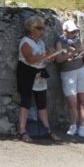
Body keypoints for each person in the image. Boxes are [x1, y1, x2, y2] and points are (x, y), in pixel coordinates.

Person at [17, 15, 60, 143]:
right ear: (31, 28)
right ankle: (22, 131)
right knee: (25, 102)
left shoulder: (40, 42)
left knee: (42, 103)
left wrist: (50, 56)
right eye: (39, 28)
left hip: (39, 74)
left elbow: (42, 58)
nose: (41, 31)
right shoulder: (25, 41)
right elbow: (30, 59)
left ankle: (48, 130)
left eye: (42, 28)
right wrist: (44, 55)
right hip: (27, 74)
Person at [55, 20, 84, 138]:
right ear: (64, 32)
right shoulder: (59, 42)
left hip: (81, 70)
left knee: (83, 101)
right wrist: (71, 54)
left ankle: (82, 127)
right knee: (72, 101)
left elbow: (83, 56)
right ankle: (73, 125)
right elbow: (58, 60)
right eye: (71, 32)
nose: (74, 34)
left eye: (75, 31)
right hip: (68, 72)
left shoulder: (77, 40)